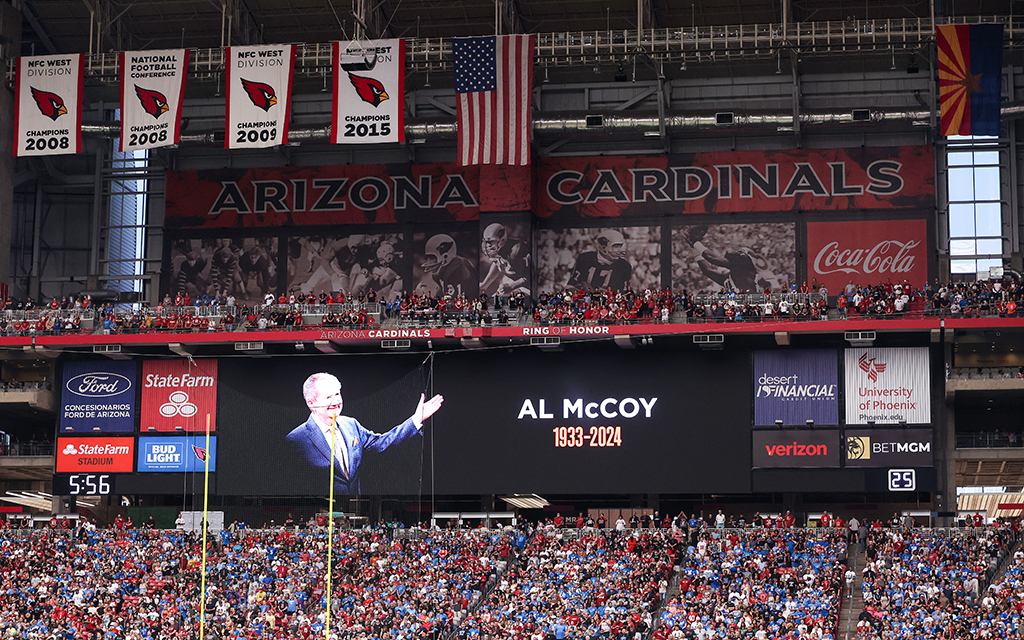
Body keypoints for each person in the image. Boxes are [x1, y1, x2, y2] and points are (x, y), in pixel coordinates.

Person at [285, 372, 444, 495]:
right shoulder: (296, 440)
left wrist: (416, 419)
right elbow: (292, 485)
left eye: (337, 394)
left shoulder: (350, 425)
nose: (336, 401)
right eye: (328, 397)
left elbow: (382, 443)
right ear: (311, 403)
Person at [567, 229, 632, 292]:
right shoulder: (585, 259)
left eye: (620, 246)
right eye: (615, 246)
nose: (619, 250)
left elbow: (625, 293)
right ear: (604, 247)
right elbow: (571, 285)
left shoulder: (624, 266)